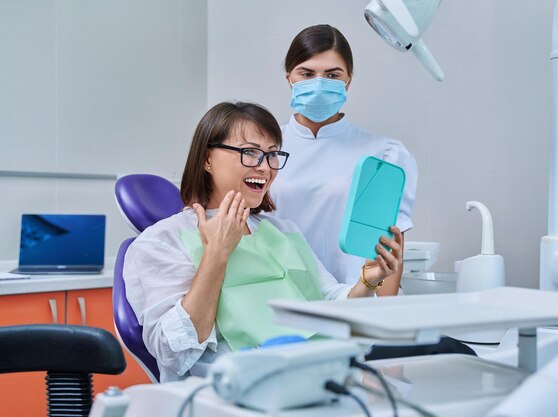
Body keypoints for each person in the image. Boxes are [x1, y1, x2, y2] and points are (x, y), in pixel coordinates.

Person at [123, 101, 404, 382]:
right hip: (231, 393)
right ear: (207, 159)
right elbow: (172, 352)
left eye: (272, 155)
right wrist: (216, 255)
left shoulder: (282, 230)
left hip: (316, 376)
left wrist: (368, 280)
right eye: (250, 153)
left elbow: (327, 301)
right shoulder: (161, 240)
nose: (266, 167)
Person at [271, 24, 418, 296]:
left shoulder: (384, 155)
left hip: (356, 300)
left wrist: (383, 323)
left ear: (348, 80)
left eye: (331, 75)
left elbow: (389, 249)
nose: (318, 84)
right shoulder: (263, 149)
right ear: (289, 77)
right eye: (307, 73)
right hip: (280, 301)